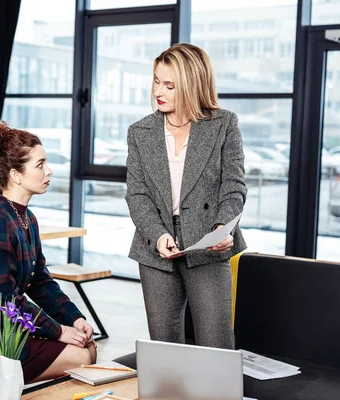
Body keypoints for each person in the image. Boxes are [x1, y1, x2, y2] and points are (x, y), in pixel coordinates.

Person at [0, 122, 97, 385]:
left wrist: (74, 318)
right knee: (82, 356)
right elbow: (4, 301)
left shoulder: (27, 219)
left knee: (87, 348)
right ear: (16, 175)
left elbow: (41, 282)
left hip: (4, 327)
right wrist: (58, 331)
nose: (49, 171)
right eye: (40, 165)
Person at [125, 43, 247, 349]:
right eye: (156, 80)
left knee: (216, 344)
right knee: (165, 348)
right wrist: (157, 234)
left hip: (208, 241)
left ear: (193, 86)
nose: (158, 91)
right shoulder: (140, 131)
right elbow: (137, 194)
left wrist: (223, 228)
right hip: (156, 247)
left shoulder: (224, 124)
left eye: (169, 85)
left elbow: (234, 187)